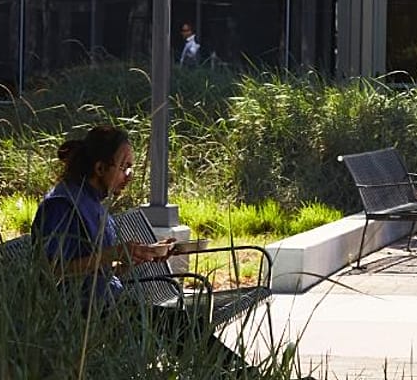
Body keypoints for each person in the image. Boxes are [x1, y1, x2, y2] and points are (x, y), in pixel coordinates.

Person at [31, 126, 274, 377]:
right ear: (100, 168)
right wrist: (112, 254)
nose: (129, 175)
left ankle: (248, 376)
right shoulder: (61, 205)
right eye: (124, 166)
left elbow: (97, 268)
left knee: (182, 324)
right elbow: (50, 271)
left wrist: (136, 258)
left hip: (111, 303)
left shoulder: (92, 202)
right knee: (179, 325)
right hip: (85, 314)